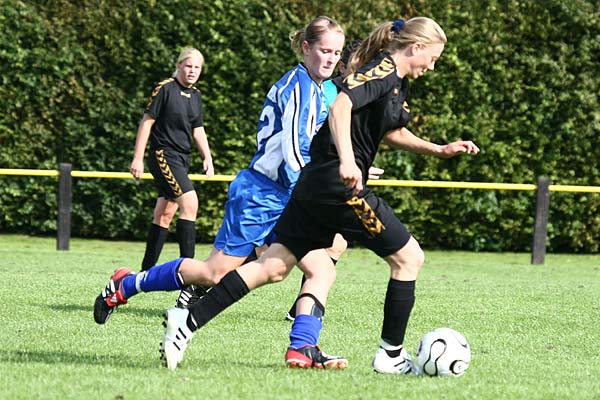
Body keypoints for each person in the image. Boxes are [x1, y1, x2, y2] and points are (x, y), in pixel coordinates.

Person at [158, 16, 480, 372]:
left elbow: (390, 131)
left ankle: (186, 321)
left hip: (314, 186)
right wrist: (348, 161)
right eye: (433, 58)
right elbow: (340, 106)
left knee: (272, 267)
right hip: (338, 188)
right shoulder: (384, 71)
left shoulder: (396, 82)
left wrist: (438, 149)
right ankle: (390, 356)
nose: (432, 66)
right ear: (416, 47)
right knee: (408, 258)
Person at [93, 16, 347, 325]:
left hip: (284, 194)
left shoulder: (315, 88)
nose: (331, 59)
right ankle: (127, 284)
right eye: (325, 51)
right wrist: (325, 183)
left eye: (336, 52)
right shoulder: (299, 87)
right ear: (306, 48)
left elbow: (309, 148)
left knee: (321, 268)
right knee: (214, 272)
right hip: (263, 194)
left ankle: (302, 346)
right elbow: (295, 152)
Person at [284, 38, 365, 322]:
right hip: (301, 179)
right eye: (358, 67)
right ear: (343, 67)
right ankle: (201, 284)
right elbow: (309, 141)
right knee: (269, 255)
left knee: (335, 245)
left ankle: (302, 309)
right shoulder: (328, 92)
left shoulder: (354, 95)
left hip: (320, 178)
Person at [130, 48, 214, 272]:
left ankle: (145, 272)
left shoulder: (196, 95)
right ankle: (189, 273)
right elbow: (147, 122)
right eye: (188, 66)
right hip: (163, 155)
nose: (192, 71)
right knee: (190, 203)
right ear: (179, 66)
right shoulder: (165, 88)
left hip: (182, 159)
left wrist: (207, 157)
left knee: (164, 215)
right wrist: (137, 158)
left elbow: (198, 129)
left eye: (197, 67)